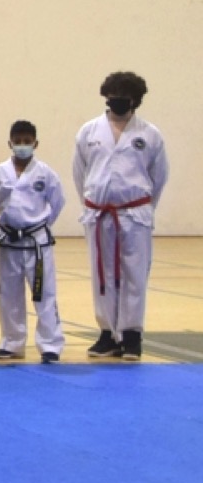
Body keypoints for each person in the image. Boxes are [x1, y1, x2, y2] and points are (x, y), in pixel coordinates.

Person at [73, 71, 170, 362]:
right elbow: (80, 174)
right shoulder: (89, 131)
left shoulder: (149, 134)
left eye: (123, 97)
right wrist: (92, 202)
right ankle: (107, 333)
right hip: (100, 212)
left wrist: (144, 207)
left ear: (135, 100)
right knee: (102, 274)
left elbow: (159, 177)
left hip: (135, 213)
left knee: (134, 274)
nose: (116, 101)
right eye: (113, 96)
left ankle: (131, 336)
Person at [0, 120, 65, 363]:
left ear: (36, 143)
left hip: (37, 243)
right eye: (18, 141)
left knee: (44, 294)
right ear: (10, 143)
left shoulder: (45, 172)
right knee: (8, 294)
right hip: (9, 241)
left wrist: (41, 226)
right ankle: (12, 342)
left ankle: (50, 345)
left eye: (27, 141)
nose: (22, 145)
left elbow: (58, 202)